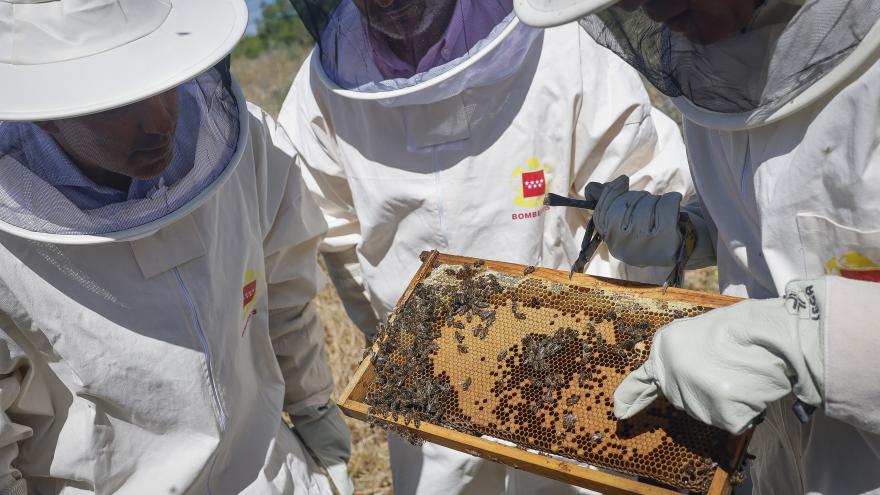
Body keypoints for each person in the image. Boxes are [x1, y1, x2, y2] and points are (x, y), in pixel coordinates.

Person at [279, 0, 693, 493]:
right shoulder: (321, 91)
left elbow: (639, 173)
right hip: (428, 386)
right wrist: (397, 347)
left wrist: (620, 351)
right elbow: (337, 232)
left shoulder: (560, 37)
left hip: (575, 382)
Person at [515, 0, 880, 493]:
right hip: (771, 458)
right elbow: (777, 213)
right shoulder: (707, 72)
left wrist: (813, 342)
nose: (654, 10)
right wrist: (693, 229)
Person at [0, 0, 352, 493]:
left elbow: (285, 298)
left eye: (162, 80)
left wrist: (313, 406)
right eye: (115, 103)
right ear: (45, 117)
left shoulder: (248, 145)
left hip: (274, 471)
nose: (159, 119)